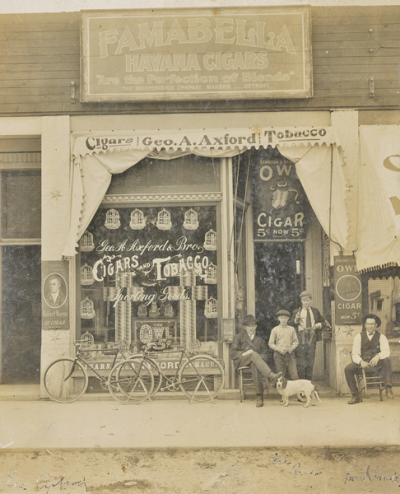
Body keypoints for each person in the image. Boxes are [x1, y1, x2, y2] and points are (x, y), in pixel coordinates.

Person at [230, 314, 283, 408]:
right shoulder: (238, 337)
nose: (251, 328)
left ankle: (259, 396)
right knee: (252, 354)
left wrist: (256, 358)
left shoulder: (260, 340)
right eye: (249, 326)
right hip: (242, 362)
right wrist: (247, 353)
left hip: (256, 366)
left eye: (253, 326)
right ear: (245, 327)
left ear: (256, 326)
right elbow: (232, 354)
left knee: (255, 364)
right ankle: (270, 376)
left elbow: (266, 356)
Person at [345, 314, 394, 404]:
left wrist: (378, 356)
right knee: (348, 369)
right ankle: (355, 395)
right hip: (363, 362)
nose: (370, 326)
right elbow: (355, 353)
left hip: (376, 364)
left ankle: (388, 388)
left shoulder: (382, 337)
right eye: (368, 324)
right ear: (365, 325)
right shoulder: (358, 337)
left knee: (386, 360)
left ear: (376, 325)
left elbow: (386, 351)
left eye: (372, 324)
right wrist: (361, 361)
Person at [288, 291, 325, 381]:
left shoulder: (315, 311)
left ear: (310, 300)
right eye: (304, 300)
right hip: (300, 338)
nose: (306, 302)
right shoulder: (297, 311)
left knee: (310, 362)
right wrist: (296, 319)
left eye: (308, 300)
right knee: (300, 362)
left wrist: (318, 325)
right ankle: (301, 385)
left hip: (312, 338)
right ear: (301, 301)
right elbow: (290, 323)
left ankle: (308, 384)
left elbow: (323, 322)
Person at [269, 309, 299, 380]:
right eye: (281, 318)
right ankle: (281, 390)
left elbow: (296, 341)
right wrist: (279, 349)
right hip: (279, 355)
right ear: (278, 318)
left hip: (290, 354)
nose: (283, 320)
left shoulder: (292, 329)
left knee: (294, 375)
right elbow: (270, 343)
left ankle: (297, 390)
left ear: (288, 318)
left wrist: (291, 349)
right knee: (280, 376)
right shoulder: (275, 330)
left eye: (285, 318)